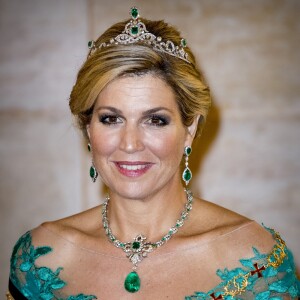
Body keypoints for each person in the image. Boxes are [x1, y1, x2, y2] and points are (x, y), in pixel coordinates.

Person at [7, 7, 299, 300]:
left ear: (190, 130)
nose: (130, 144)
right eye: (111, 118)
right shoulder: (41, 258)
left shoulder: (257, 263)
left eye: (155, 120)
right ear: (88, 128)